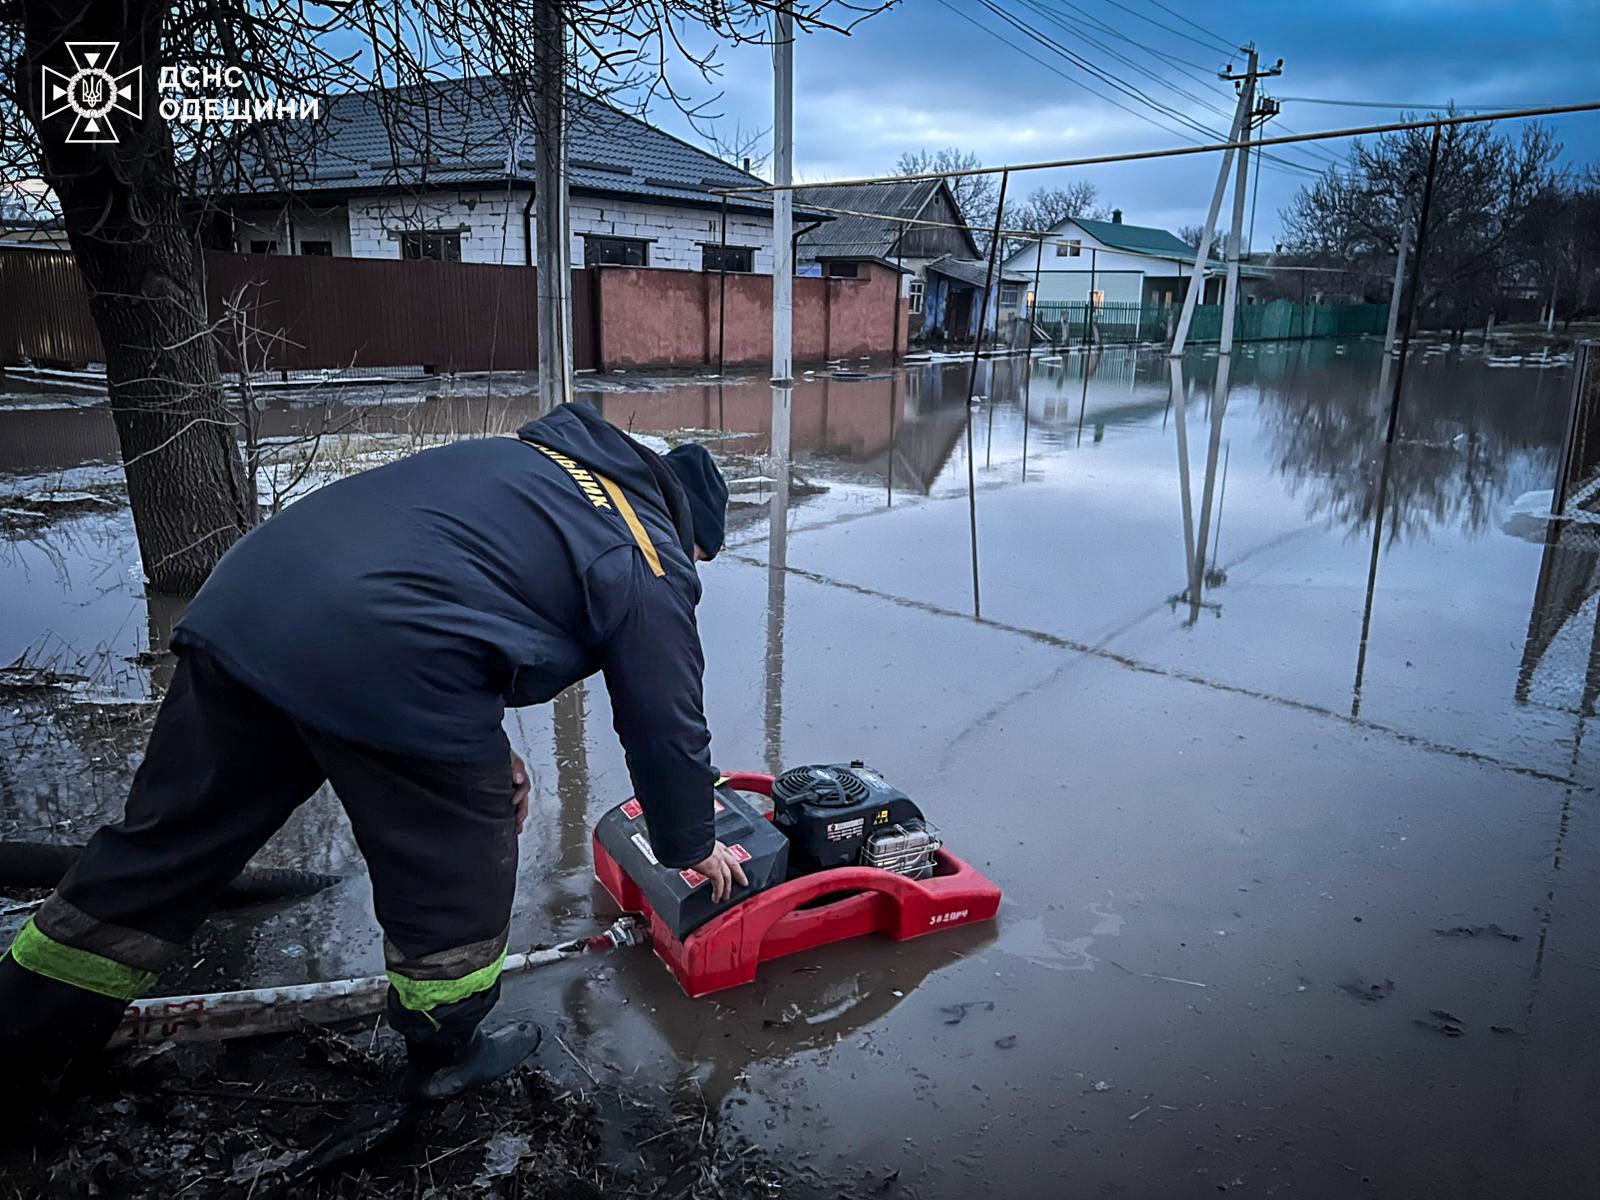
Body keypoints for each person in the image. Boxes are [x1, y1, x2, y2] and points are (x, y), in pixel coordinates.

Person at [0, 401, 745, 1098]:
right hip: (381, 649)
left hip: (244, 608)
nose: (692, 576)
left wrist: (477, 743)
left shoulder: (530, 466)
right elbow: (664, 722)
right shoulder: (646, 549)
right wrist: (692, 842)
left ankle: (28, 1033)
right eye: (700, 561)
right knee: (458, 855)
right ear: (693, 534)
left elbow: (459, 594)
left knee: (171, 841)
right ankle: (443, 1055)